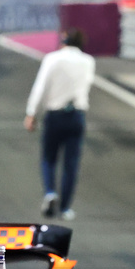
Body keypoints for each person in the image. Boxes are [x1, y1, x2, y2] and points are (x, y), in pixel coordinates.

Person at [25, 27, 95, 220]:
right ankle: (65, 208)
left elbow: (41, 87)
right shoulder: (88, 61)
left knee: (49, 158)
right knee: (71, 164)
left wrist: (31, 112)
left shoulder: (52, 59)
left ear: (64, 42)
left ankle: (50, 192)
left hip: (55, 114)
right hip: (77, 115)